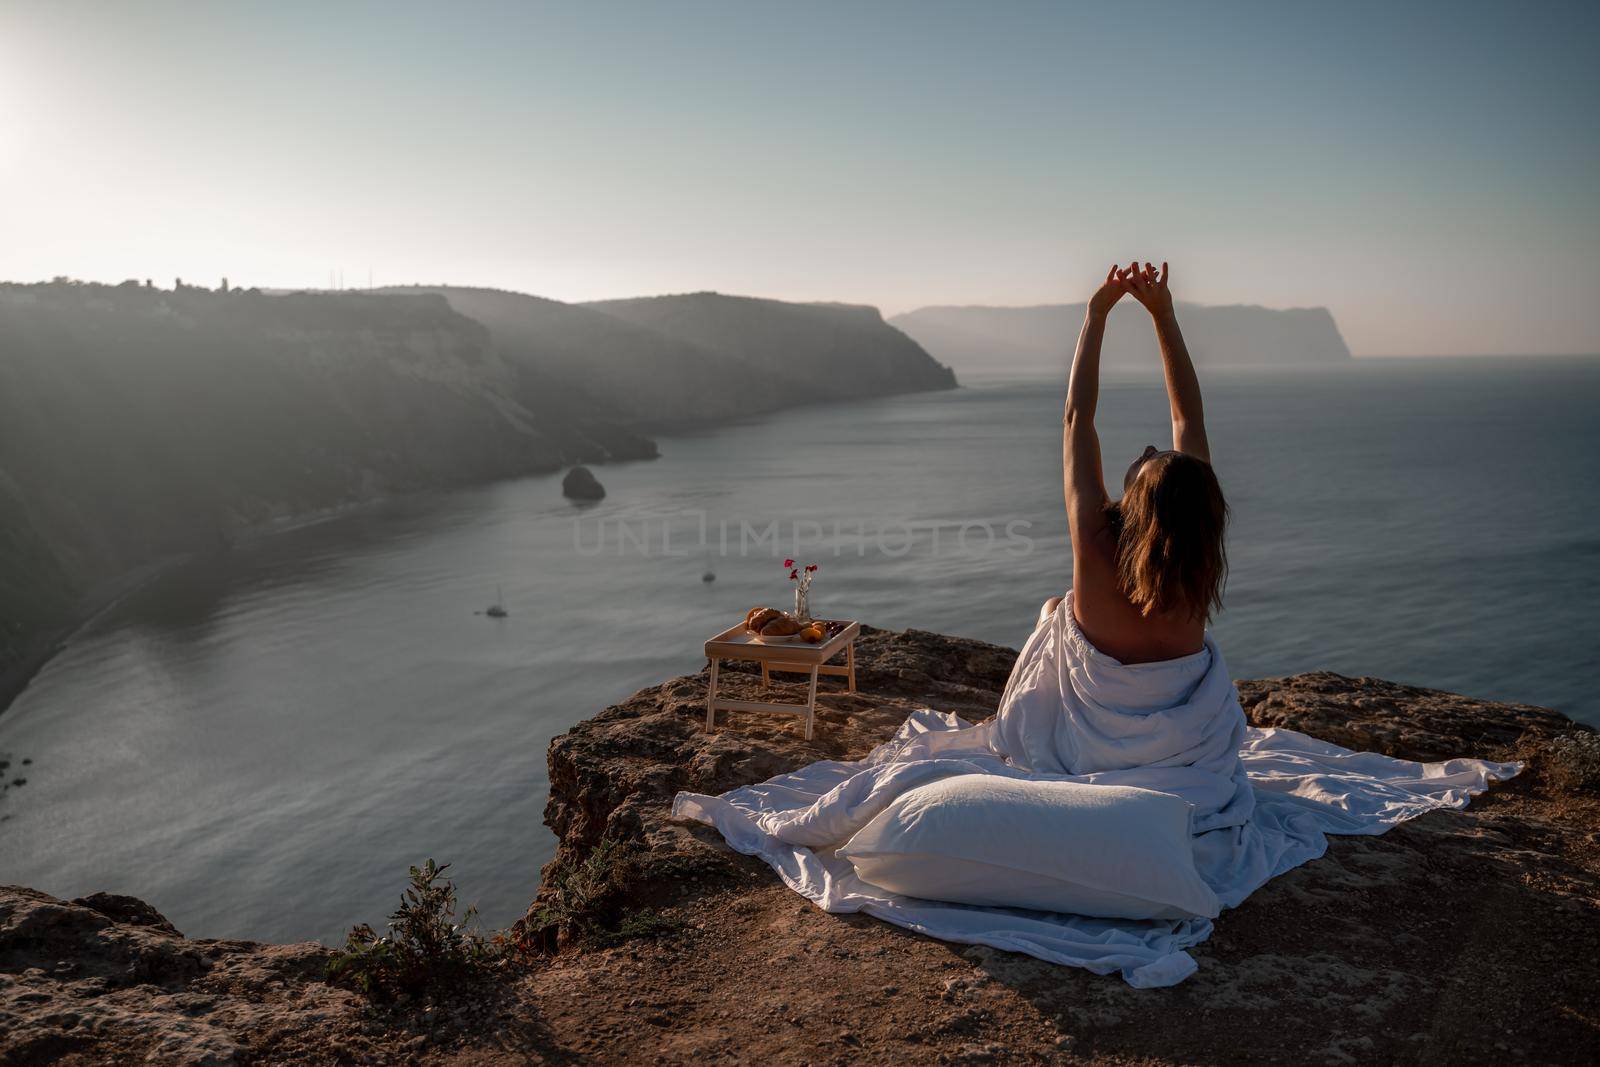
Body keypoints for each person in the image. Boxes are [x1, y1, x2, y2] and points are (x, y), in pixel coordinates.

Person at [1041, 260, 1230, 664]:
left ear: (1141, 498)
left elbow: (1077, 418)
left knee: (1052, 609)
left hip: (1099, 714)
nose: (1148, 446)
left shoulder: (1096, 543)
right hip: (1179, 711)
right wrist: (1164, 316)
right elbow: (1189, 420)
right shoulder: (1197, 551)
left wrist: (1095, 316)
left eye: (1150, 457)